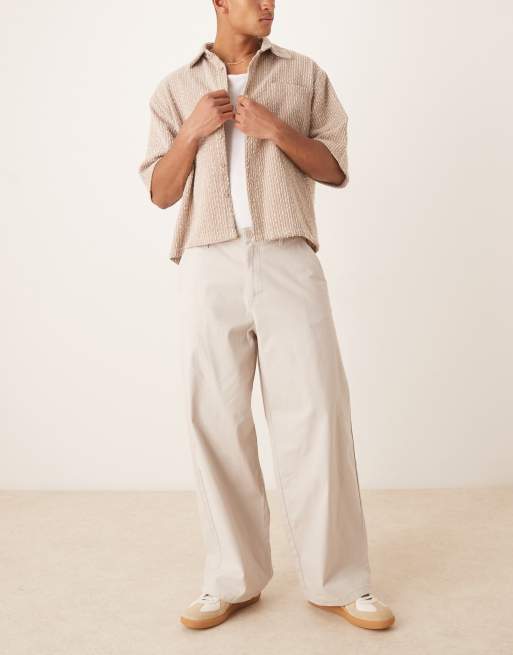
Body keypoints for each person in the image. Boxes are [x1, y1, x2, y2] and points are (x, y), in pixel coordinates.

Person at [138, 0, 395, 632]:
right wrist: (192, 132)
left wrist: (277, 130)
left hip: (286, 254)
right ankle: (231, 578)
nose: (268, 4)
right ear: (219, 3)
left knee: (317, 415)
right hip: (208, 259)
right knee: (216, 418)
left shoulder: (304, 75)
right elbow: (161, 192)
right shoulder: (174, 88)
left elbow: (335, 169)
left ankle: (341, 580)